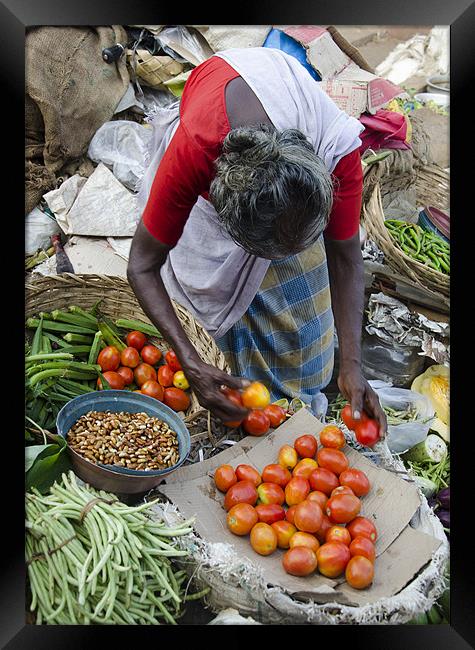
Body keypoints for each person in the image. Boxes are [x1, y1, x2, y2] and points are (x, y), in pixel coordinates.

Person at [127, 47, 387, 436]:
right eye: (263, 252)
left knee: (306, 335)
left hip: (284, 183)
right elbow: (142, 265)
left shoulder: (334, 152)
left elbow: (347, 256)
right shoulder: (195, 153)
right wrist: (191, 363)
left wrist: (351, 363)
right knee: (203, 304)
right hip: (215, 157)